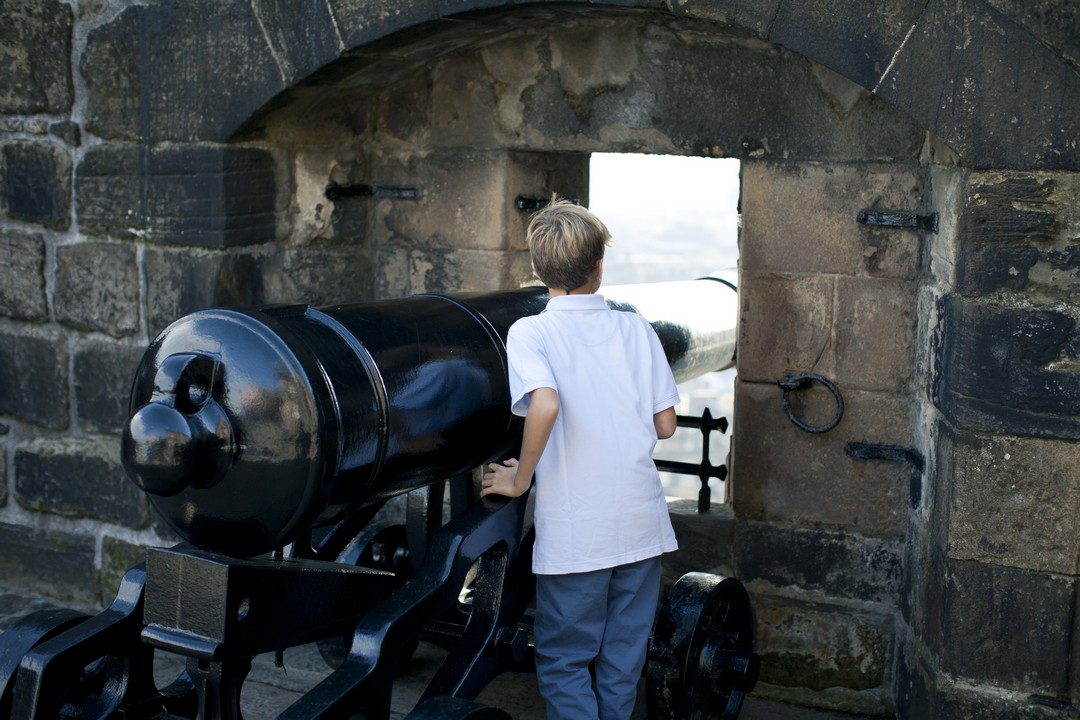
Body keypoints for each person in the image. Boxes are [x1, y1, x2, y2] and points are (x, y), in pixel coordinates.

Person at [481, 198, 680, 720]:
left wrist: (521, 479)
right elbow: (665, 425)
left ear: (536, 267)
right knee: (622, 660)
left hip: (578, 531)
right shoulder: (636, 328)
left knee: (565, 660)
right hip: (640, 522)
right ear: (599, 266)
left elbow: (544, 404)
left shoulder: (531, 332)